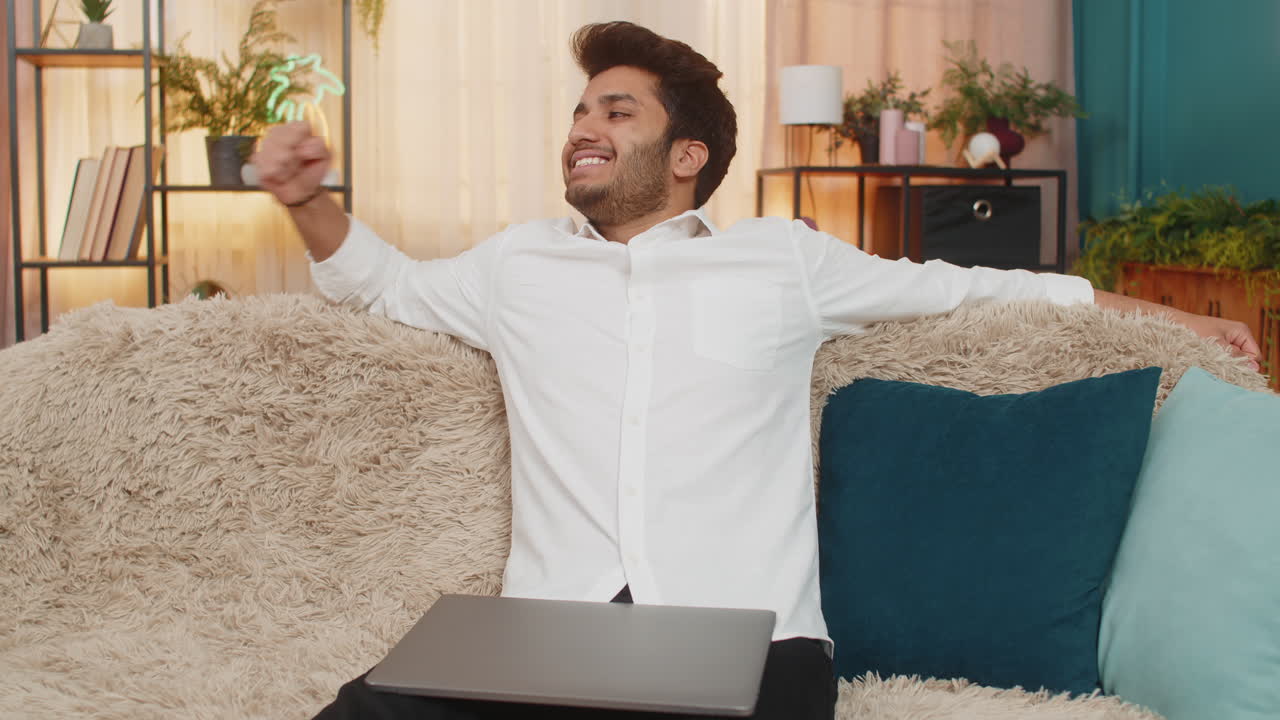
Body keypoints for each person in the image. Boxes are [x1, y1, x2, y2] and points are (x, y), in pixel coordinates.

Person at [252, 21, 1260, 720]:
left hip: (754, 645)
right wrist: (304, 197)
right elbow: (380, 285)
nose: (582, 130)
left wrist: (1172, 316)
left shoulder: (783, 261)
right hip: (551, 635)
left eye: (616, 113)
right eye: (580, 111)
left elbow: (969, 288)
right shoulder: (517, 265)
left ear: (686, 155)